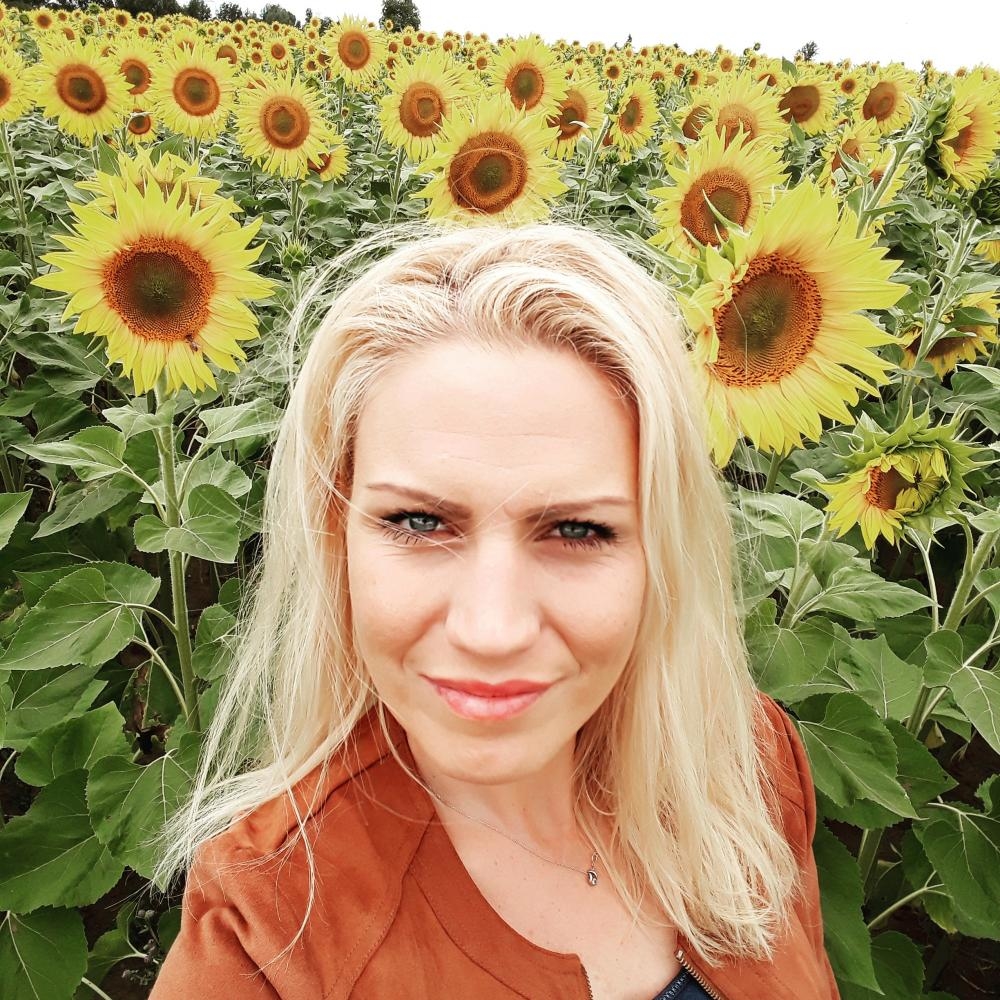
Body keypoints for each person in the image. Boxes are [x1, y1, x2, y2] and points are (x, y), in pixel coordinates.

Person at [147, 221, 839, 1000]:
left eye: (577, 530)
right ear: (336, 539)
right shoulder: (268, 936)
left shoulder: (745, 762)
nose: (492, 630)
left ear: (661, 550)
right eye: (419, 523)